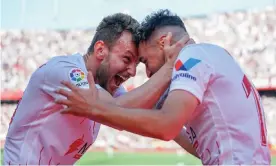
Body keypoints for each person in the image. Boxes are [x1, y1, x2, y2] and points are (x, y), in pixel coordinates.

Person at [55, 9, 271, 165]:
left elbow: (166, 126)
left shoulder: (190, 56)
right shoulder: (217, 55)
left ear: (163, 42)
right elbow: (201, 149)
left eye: (145, 61)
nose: (147, 73)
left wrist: (93, 108)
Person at [3, 13, 191, 165]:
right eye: (126, 59)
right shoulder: (65, 71)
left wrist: (207, 148)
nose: (133, 72)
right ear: (101, 50)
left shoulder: (108, 89)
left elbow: (149, 117)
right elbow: (113, 110)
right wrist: (170, 68)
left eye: (136, 64)